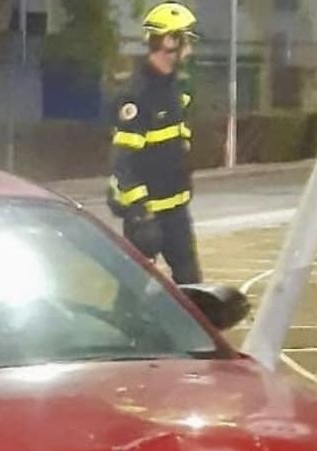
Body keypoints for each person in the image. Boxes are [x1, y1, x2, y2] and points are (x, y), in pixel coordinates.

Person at [108, 2, 202, 285]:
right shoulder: (137, 95)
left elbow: (179, 139)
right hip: (147, 216)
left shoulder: (175, 88)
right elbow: (123, 162)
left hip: (176, 211)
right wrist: (140, 212)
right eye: (185, 39)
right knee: (133, 291)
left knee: (191, 285)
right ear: (169, 41)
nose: (190, 49)